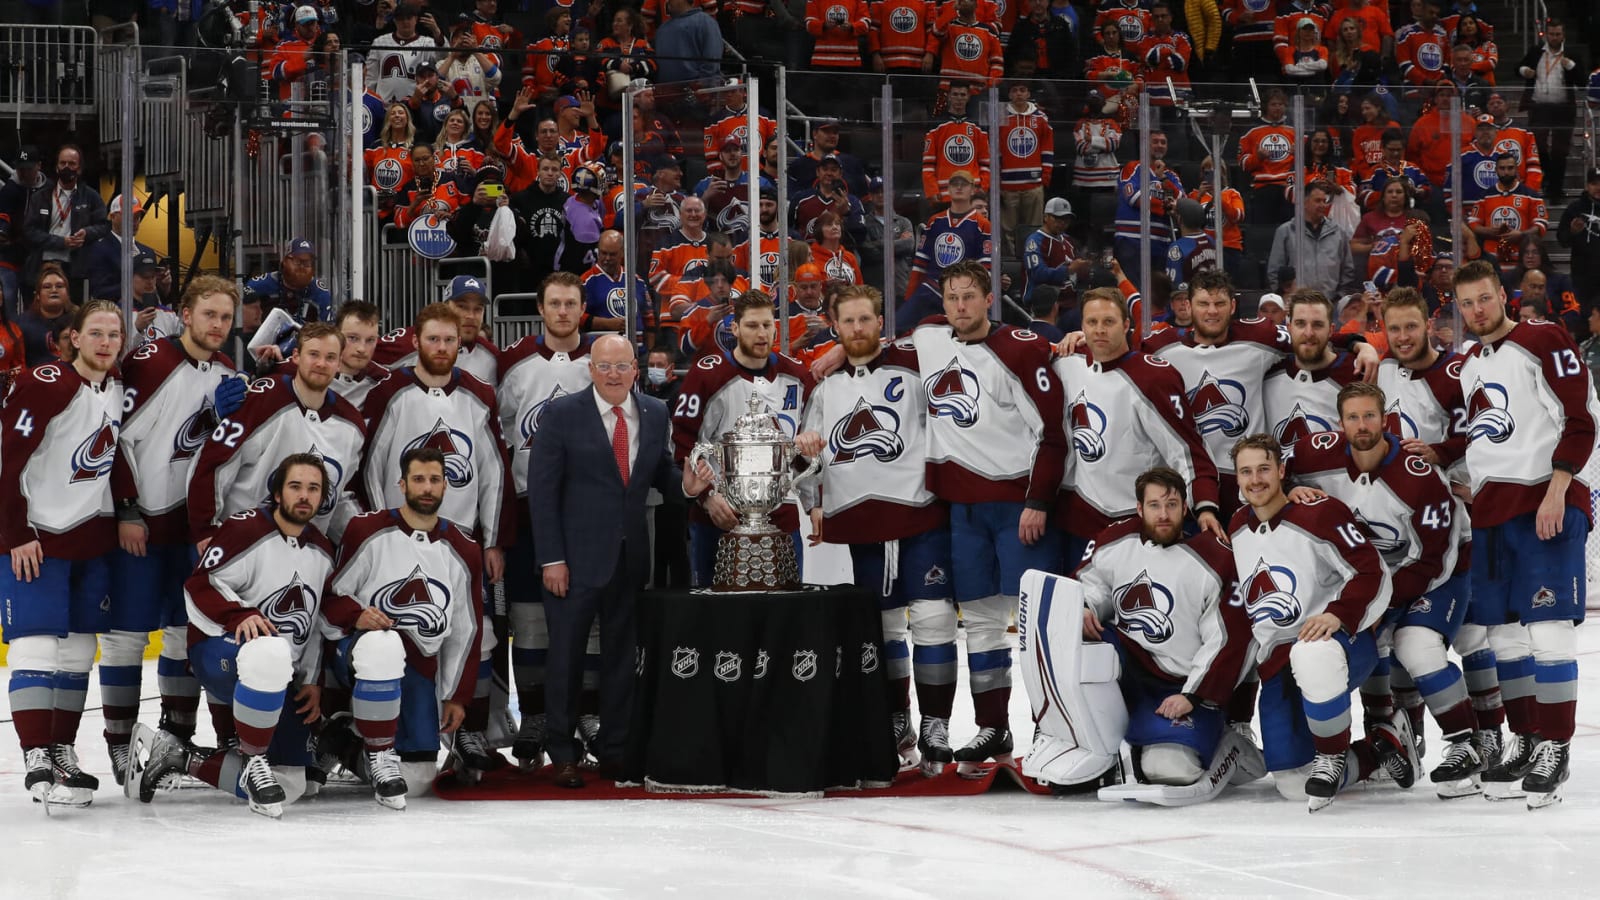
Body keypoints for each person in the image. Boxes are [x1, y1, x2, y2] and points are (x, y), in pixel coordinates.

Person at [1288, 382, 1488, 796]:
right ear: (1340, 422)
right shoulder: (1315, 453)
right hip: (1369, 579)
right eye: (1353, 417)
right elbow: (1274, 473)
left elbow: (1436, 558)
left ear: (1386, 420)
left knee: (1413, 643)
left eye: (1370, 416)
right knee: (1364, 641)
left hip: (1438, 574)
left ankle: (1465, 742)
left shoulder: (1418, 476)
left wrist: (1378, 603)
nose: (1362, 425)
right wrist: (1291, 488)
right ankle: (1388, 736)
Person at [531, 333, 711, 789]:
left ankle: (615, 751)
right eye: (604, 366)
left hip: (630, 559)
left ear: (636, 369)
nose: (613, 374)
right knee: (566, 660)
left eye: (622, 366)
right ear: (590, 369)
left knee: (621, 660)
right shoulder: (560, 414)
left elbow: (662, 473)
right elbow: (543, 494)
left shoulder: (653, 412)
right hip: (571, 563)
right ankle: (563, 752)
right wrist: (551, 558)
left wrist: (687, 487)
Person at [908, 259, 1067, 770]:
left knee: (1037, 626)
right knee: (979, 623)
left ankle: (1054, 730)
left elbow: (1052, 432)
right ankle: (993, 729)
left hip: (1018, 509)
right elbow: (875, 344)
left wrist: (1038, 500)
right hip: (964, 511)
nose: (960, 306)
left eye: (969, 297)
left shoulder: (1019, 348)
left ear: (987, 299)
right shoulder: (929, 339)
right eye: (952, 297)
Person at [1455, 258, 1599, 807]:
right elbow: (1480, 435)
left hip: (1544, 501)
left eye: (1484, 299)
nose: (1476, 311)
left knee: (1548, 628)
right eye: (1466, 303)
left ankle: (1555, 747)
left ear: (1503, 296)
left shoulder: (1542, 337)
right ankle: (1528, 738)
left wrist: (1559, 489)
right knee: (1505, 637)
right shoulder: (1471, 362)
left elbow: (1580, 417)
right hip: (1492, 513)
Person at [794, 285, 955, 775]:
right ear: (834, 325)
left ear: (881, 322)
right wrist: (813, 496)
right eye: (849, 322)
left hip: (919, 511)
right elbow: (810, 452)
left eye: (867, 320)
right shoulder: (822, 387)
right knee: (881, 627)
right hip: (862, 519)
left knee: (932, 618)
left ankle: (936, 722)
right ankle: (896, 718)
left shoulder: (913, 360)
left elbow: (948, 330)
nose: (859, 329)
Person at [132, 454, 335, 818]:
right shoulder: (245, 530)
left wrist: (313, 681)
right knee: (268, 652)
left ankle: (179, 756)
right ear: (276, 493)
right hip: (218, 650)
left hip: (278, 672)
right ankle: (254, 759)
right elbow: (198, 585)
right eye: (295, 487)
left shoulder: (322, 551)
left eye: (313, 489)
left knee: (292, 784)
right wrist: (238, 614)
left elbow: (316, 623)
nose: (304, 496)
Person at [1227, 434, 1414, 811]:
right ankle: (1383, 746)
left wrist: (1338, 615)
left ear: (1282, 470)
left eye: (1264, 469)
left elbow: (1371, 572)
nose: (1255, 479)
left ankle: (1331, 756)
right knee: (1293, 784)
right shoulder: (1236, 526)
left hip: (1338, 644)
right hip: (1276, 664)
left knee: (1312, 654)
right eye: (1245, 472)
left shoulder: (1320, 513)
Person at [102, 277, 241, 781]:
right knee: (126, 637)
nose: (218, 326)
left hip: (193, 528)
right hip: (141, 522)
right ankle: (119, 743)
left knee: (185, 634)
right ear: (185, 314)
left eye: (226, 317)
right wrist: (126, 510)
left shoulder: (226, 371)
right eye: (209, 315)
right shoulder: (149, 362)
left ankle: (175, 740)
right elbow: (112, 438)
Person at [2, 300, 125, 807]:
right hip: (37, 536)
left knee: (76, 651)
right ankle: (34, 753)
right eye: (95, 332)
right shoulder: (45, 383)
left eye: (114, 334)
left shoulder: (115, 387)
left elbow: (115, 457)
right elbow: (7, 458)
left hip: (90, 536)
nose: (105, 342)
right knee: (35, 643)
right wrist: (14, 533)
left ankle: (61, 750)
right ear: (73, 337)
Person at [1141, 270, 1381, 523]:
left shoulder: (1259, 337)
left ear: (1233, 306)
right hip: (1186, 477)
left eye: (1220, 303)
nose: (1212, 311)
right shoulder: (1162, 346)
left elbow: (1307, 335)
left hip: (1246, 478)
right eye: (1203, 304)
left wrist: (1359, 343)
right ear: (1188, 306)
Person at [319, 447, 486, 808]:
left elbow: (465, 629)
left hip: (419, 673)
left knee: (420, 778)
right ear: (402, 484)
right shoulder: (367, 529)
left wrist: (456, 695)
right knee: (383, 647)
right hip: (361, 657)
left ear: (445, 485)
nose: (427, 488)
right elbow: (331, 598)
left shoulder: (463, 547)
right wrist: (356, 615)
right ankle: (370, 746)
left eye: (434, 480)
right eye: (418, 479)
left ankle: (344, 741)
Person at [1076, 466, 1252, 789]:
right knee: (1080, 641)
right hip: (1126, 672)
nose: (1164, 514)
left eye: (1172, 505)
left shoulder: (1215, 561)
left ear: (1185, 508)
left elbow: (1227, 641)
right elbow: (1093, 583)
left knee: (1169, 769)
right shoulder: (1116, 540)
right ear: (1140, 508)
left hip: (1177, 686)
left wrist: (1193, 695)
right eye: (1155, 505)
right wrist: (1086, 605)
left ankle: (1230, 745)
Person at [496, 272, 602, 767]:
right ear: (540, 308)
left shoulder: (602, 359)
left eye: (571, 304)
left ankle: (589, 713)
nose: (563, 312)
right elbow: (505, 432)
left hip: (586, 509)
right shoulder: (514, 363)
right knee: (529, 616)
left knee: (591, 614)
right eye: (554, 303)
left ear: (583, 308)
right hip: (527, 507)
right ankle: (536, 715)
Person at [1053, 287, 1223, 568]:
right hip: (1081, 518)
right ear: (1081, 327)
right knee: (1079, 607)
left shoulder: (1152, 378)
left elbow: (1187, 450)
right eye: (1092, 323)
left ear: (1127, 325)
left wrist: (1204, 505)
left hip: (1138, 522)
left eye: (1109, 322)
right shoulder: (1066, 360)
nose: (1099, 330)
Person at [671, 291, 815, 586]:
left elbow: (805, 448)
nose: (761, 334)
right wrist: (707, 497)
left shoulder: (798, 376)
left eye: (767, 325)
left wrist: (814, 504)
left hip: (782, 515)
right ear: (734, 328)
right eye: (751, 326)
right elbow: (684, 444)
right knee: (715, 617)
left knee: (784, 612)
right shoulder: (706, 375)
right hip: (719, 517)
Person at [187, 322, 367, 544]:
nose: (321, 363)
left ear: (339, 363)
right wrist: (206, 530)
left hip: (302, 552)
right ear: (295, 357)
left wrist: (360, 541)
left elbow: (338, 497)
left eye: (330, 357)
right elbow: (213, 463)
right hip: (242, 542)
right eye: (313, 354)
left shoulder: (352, 425)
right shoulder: (263, 401)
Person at [1261, 290, 1364, 455]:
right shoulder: (1267, 370)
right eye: (1301, 324)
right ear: (1289, 328)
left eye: (1317, 325)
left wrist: (1361, 344)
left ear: (1331, 330)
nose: (1308, 333)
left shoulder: (1356, 372)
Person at [900, 169, 992, 329]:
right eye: (954, 184)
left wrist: (981, 303)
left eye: (964, 184)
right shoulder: (935, 221)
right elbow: (919, 265)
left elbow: (985, 271)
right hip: (930, 289)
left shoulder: (982, 225)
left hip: (961, 294)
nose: (959, 187)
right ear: (948, 189)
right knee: (895, 328)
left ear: (973, 189)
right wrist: (909, 298)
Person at [374, 275, 502, 387]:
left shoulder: (491, 356)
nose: (471, 316)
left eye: (478, 309)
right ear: (445, 306)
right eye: (462, 307)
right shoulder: (411, 340)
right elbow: (361, 361)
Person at [23, 144, 107, 299]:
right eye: (63, 163)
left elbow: (104, 225)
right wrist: (61, 242)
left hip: (75, 268)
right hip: (43, 264)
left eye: (72, 164)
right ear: (57, 167)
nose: (66, 167)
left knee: (73, 314)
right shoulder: (41, 197)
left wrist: (86, 233)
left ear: (79, 169)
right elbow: (29, 231)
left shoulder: (90, 196)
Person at [1516, 20, 1586, 202]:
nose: (1554, 37)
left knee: (1560, 151)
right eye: (1551, 34)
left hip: (1563, 109)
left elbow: (1582, 82)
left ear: (1563, 36)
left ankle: (1555, 190)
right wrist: (1525, 71)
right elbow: (1518, 68)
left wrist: (1570, 66)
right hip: (1539, 107)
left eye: (1558, 34)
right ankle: (1548, 178)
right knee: (1537, 144)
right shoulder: (1535, 52)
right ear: (1546, 34)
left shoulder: (1572, 55)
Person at [1267, 183, 1357, 300]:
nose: (1323, 205)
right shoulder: (1286, 231)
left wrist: (1339, 297)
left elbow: (1347, 270)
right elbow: (1274, 271)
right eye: (1317, 201)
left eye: (1324, 201)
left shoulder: (1338, 232)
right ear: (1304, 203)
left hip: (1329, 303)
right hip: (1296, 303)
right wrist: (1283, 296)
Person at [998, 81, 1054, 259]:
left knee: (1034, 228)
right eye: (1014, 90)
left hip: (1033, 184)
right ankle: (1012, 264)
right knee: (1008, 230)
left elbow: (1047, 149)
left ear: (1028, 93)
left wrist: (1044, 178)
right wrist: (997, 181)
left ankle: (1033, 260)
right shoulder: (1000, 116)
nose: (1019, 94)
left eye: (1022, 90)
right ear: (1009, 95)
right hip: (1008, 186)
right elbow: (995, 151)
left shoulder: (1041, 118)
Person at [920, 81, 991, 206]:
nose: (959, 98)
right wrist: (931, 190)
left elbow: (985, 162)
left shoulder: (978, 127)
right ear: (948, 96)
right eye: (955, 94)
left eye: (963, 95)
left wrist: (983, 188)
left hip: (972, 194)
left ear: (968, 97)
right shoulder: (936, 126)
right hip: (944, 194)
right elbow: (928, 164)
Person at [1021, 197, 1085, 308]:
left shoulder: (1069, 240)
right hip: (1044, 305)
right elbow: (1038, 274)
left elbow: (1080, 269)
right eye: (1058, 219)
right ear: (1046, 217)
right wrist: (1068, 270)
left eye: (1066, 220)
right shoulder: (1035, 241)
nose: (1063, 223)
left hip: (1070, 302)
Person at [1556, 168, 1600, 311]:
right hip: (1581, 278)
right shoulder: (1575, 208)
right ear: (1587, 186)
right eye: (1594, 184)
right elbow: (1562, 240)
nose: (1598, 188)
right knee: (1582, 323)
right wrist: (1572, 232)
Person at [15, 261, 75, 364]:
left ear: (67, 293)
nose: (54, 290)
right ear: (37, 295)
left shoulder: (79, 321)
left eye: (59, 286)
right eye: (47, 287)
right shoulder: (21, 325)